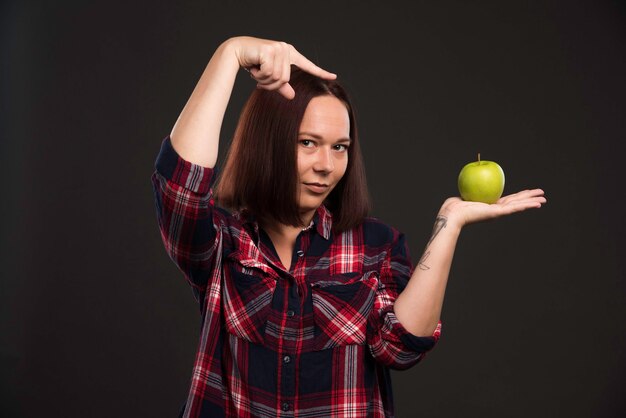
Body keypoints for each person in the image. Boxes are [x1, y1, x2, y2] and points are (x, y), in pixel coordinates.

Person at [151, 36, 546, 418]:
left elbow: (400, 347)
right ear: (267, 144)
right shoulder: (223, 243)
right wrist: (230, 53)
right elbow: (180, 187)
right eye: (308, 143)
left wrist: (450, 223)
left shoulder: (376, 246)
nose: (326, 165)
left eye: (339, 146)